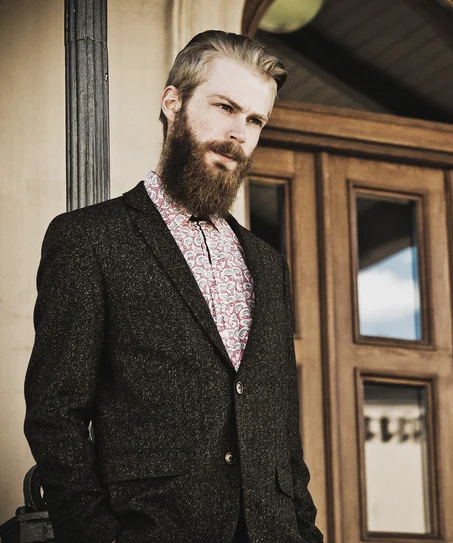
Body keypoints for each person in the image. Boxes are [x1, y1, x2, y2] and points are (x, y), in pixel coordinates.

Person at [24, 30, 323, 543]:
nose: (240, 134)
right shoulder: (88, 239)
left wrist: (303, 528)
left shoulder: (268, 264)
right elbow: (56, 416)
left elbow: (278, 424)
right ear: (173, 102)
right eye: (225, 107)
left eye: (255, 120)